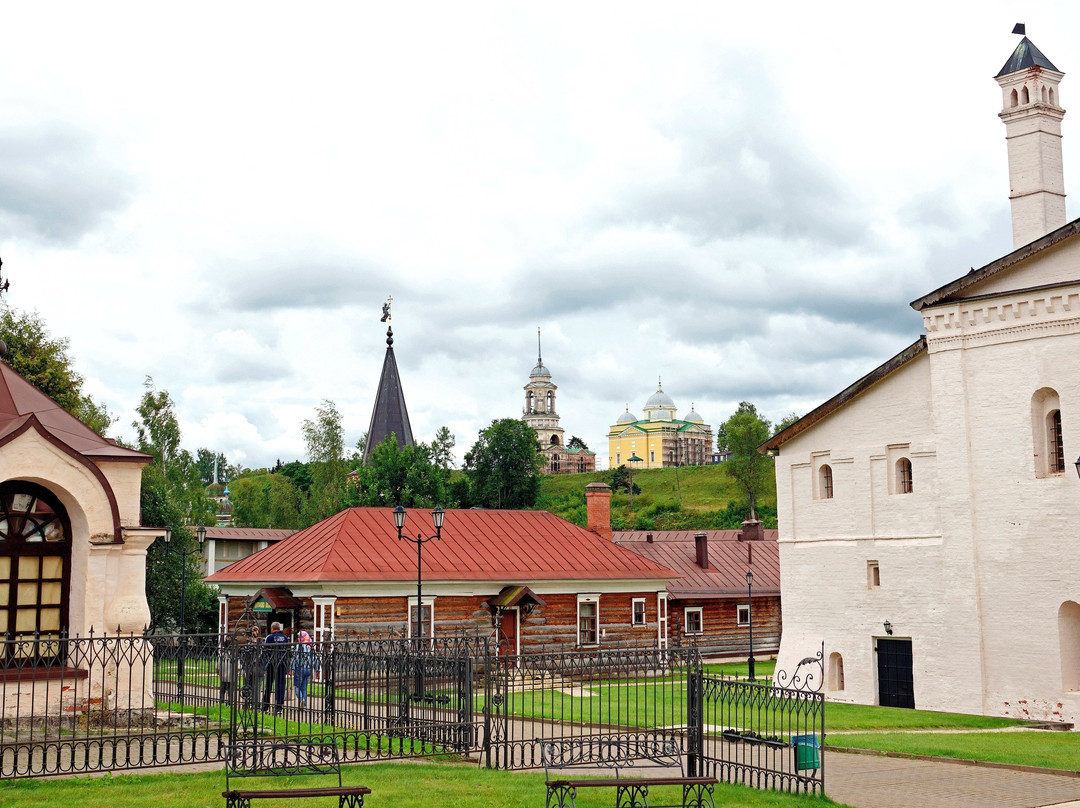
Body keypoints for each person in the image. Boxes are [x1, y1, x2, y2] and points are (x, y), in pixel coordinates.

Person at [262, 621, 290, 714]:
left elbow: (265, 650)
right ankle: (279, 706)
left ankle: (265, 705)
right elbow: (288, 652)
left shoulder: (269, 637)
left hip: (271, 663)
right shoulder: (285, 638)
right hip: (282, 664)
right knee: (280, 685)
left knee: (268, 685)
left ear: (272, 629)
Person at [292, 630, 319, 707]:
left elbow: (296, 658)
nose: (298, 638)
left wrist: (292, 668)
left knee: (297, 686)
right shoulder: (311, 646)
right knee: (304, 688)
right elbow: (315, 658)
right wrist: (316, 669)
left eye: (299, 637)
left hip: (300, 668)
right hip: (309, 669)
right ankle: (304, 705)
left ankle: (301, 699)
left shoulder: (299, 646)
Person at [216, 635, 238, 703]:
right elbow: (238, 666)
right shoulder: (234, 655)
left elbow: (218, 665)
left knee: (222, 689)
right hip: (231, 675)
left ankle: (221, 701)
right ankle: (230, 702)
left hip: (223, 674)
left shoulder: (222, 654)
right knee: (230, 690)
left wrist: (218, 671)